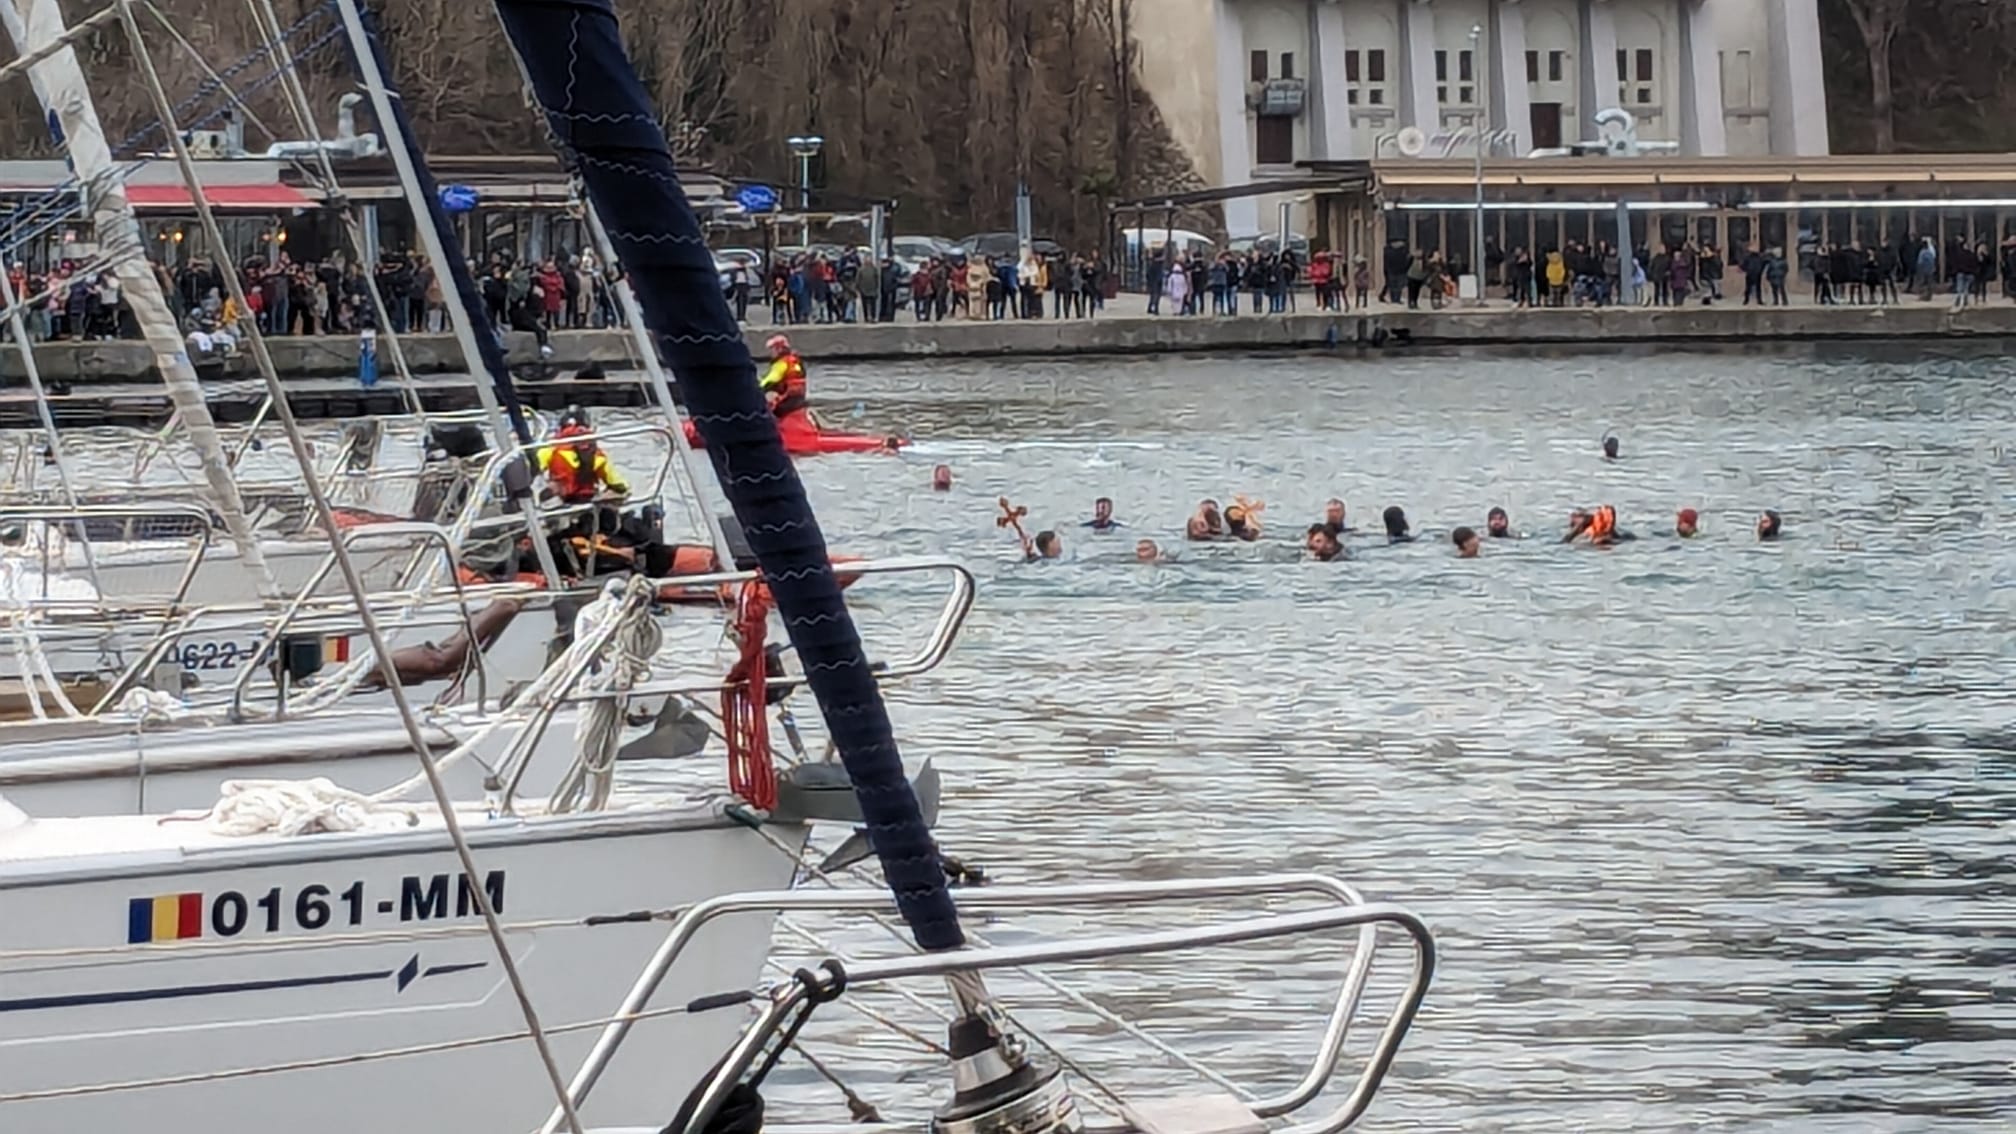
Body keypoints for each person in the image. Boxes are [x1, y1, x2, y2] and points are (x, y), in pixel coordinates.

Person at [536, 407, 629, 506]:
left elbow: (533, 469)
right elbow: (619, 484)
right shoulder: (597, 454)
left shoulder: (551, 450)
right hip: (586, 501)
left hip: (561, 502)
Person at [760, 333, 808, 418]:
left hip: (786, 402)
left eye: (773, 349)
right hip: (799, 400)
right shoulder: (795, 361)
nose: (771, 353)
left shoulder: (781, 363)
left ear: (779, 349)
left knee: (767, 394)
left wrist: (755, 387)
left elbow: (769, 380)